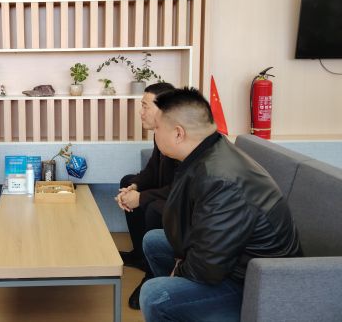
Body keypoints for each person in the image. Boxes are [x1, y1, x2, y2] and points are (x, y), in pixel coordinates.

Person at [140, 87, 302, 322]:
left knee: (155, 296)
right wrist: (181, 260)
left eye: (157, 128)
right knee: (154, 241)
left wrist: (179, 271)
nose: (154, 133)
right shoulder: (208, 150)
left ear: (178, 134)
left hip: (257, 285)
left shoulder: (221, 180)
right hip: (232, 262)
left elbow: (207, 267)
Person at [114, 82, 177, 309]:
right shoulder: (160, 133)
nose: (141, 112)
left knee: (153, 208)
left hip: (183, 199)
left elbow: (180, 187)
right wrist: (133, 187)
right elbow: (151, 170)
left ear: (163, 109)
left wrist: (141, 197)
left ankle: (152, 275)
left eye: (145, 106)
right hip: (168, 190)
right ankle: (140, 254)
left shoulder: (179, 137)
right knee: (127, 180)